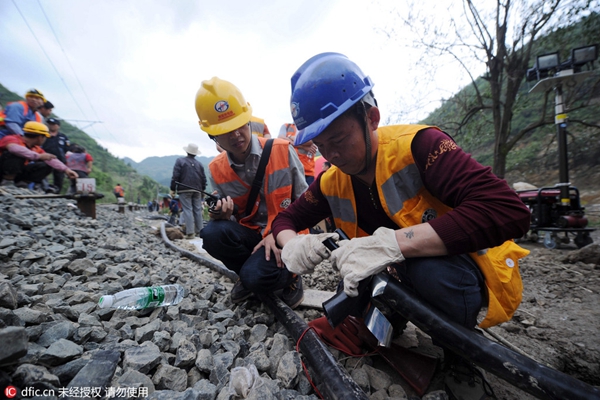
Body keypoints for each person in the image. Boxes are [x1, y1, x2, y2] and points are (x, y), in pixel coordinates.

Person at [271, 53, 531, 398]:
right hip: (392, 272)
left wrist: (392, 244)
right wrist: (292, 243)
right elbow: (286, 220)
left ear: (371, 118)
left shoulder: (421, 146)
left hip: (459, 268)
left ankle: (458, 352)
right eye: (320, 146)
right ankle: (391, 312)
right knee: (355, 310)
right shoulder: (331, 181)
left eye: (338, 139)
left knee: (431, 273)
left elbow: (508, 210)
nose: (330, 155)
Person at [194, 76, 308, 309]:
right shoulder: (217, 169)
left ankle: (292, 277)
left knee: (256, 277)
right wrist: (223, 217)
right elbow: (235, 219)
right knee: (212, 233)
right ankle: (252, 273)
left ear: (248, 121)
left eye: (239, 126)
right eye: (226, 131)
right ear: (213, 136)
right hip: (255, 237)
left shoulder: (282, 150)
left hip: (287, 234)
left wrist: (278, 232)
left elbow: (307, 204)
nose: (236, 135)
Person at [0, 121, 78, 188]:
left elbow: (50, 159)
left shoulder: (36, 148)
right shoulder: (12, 139)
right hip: (2, 171)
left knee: (46, 165)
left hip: (18, 173)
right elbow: (14, 149)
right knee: (14, 155)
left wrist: (66, 170)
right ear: (40, 137)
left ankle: (21, 184)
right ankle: (7, 182)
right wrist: (38, 156)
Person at [170, 143, 207, 239]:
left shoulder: (180, 161)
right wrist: (203, 190)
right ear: (195, 153)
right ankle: (200, 232)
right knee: (198, 210)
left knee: (187, 210)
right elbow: (203, 178)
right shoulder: (199, 164)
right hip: (198, 190)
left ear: (187, 151)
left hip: (184, 189)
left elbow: (175, 176)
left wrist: (173, 188)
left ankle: (190, 233)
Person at [42, 118, 70, 193]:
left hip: (60, 159)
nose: (51, 126)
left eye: (53, 124)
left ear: (58, 126)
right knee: (43, 174)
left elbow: (66, 148)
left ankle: (57, 192)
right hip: (45, 158)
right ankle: (43, 189)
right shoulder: (44, 135)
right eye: (50, 124)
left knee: (59, 177)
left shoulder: (63, 137)